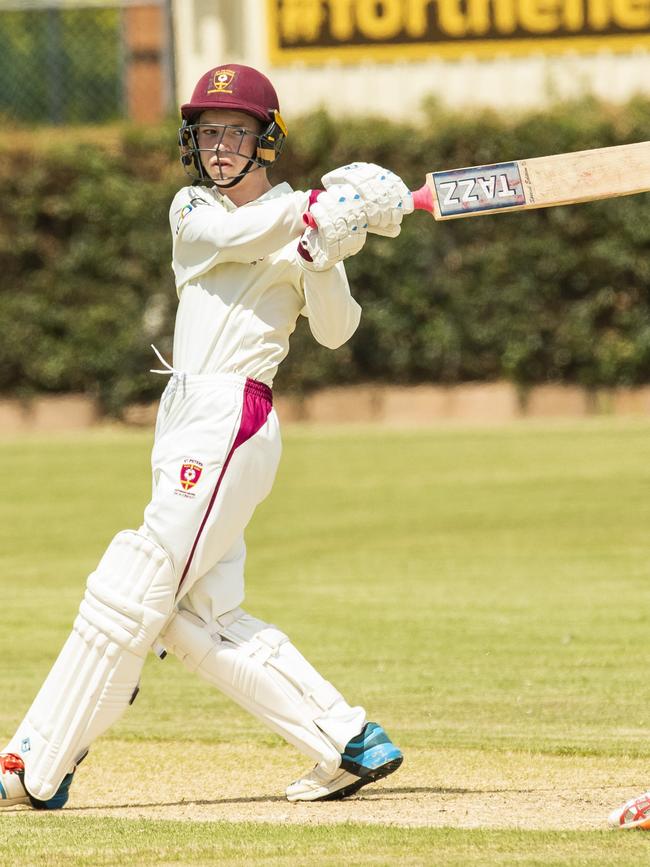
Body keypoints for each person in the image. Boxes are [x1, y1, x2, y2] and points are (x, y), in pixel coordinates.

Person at [0, 63, 414, 809]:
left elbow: (336, 328)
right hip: (185, 414)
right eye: (210, 132)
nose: (221, 146)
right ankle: (346, 739)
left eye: (237, 132)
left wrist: (323, 257)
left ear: (267, 142)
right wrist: (315, 215)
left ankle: (34, 759)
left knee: (137, 577)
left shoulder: (300, 221)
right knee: (198, 617)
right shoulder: (194, 209)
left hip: (235, 414)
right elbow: (233, 235)